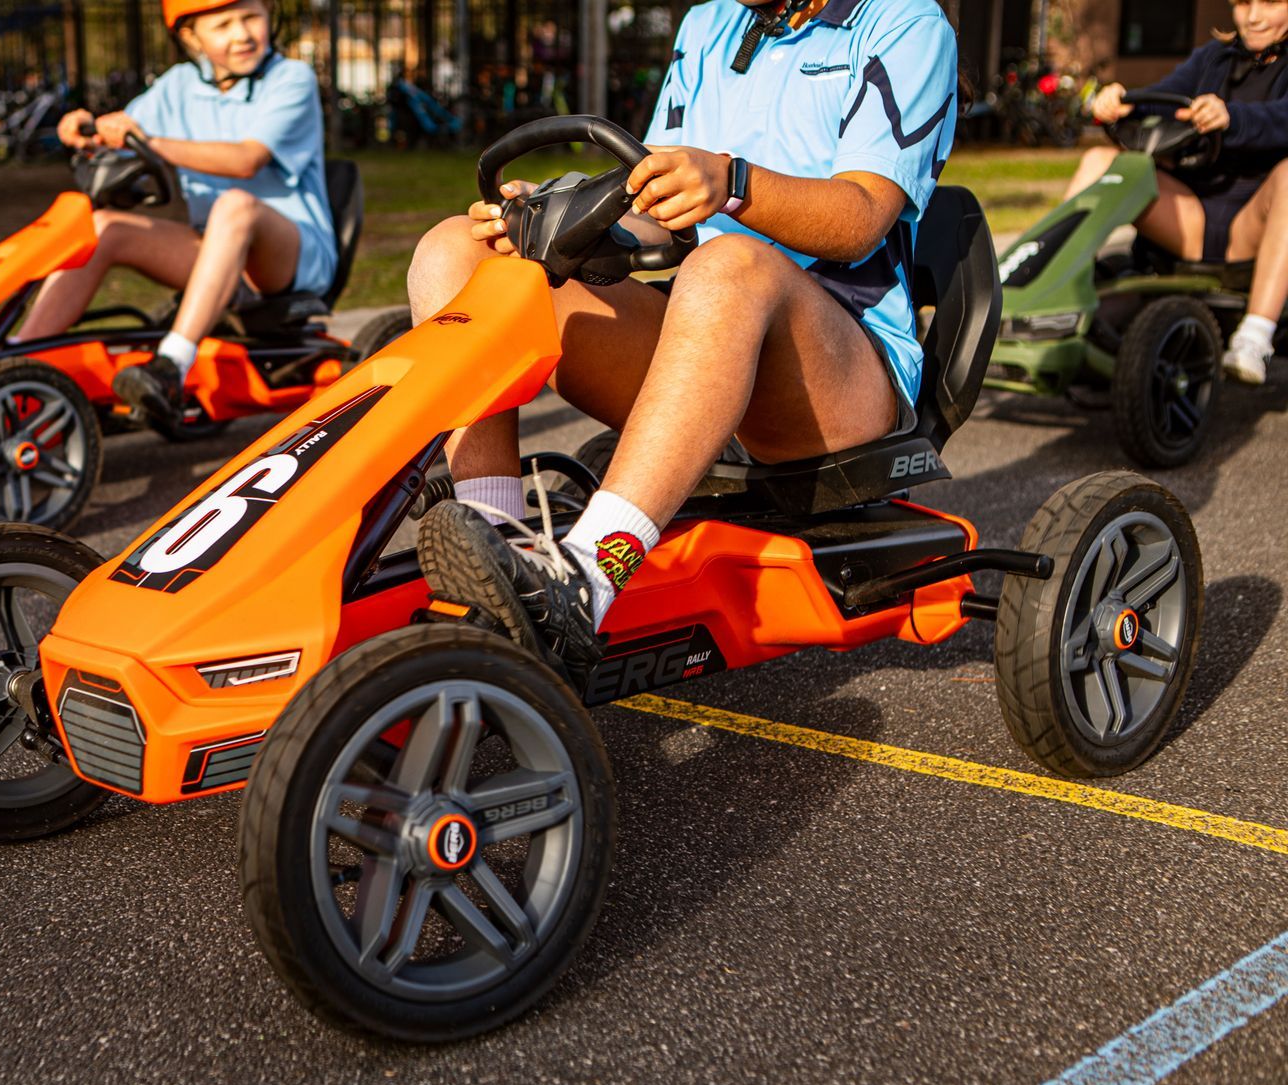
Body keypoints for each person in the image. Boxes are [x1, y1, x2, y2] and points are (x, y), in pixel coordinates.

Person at [409, 0, 956, 680]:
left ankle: (585, 578)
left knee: (729, 267)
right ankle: (498, 549)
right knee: (455, 253)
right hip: (706, 330)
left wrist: (732, 184)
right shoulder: (711, 23)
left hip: (840, 371)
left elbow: (861, 216)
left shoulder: (905, 24)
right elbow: (657, 212)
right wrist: (554, 220)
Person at [25, 0, 337, 429]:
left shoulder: (291, 79)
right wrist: (85, 130)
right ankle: (22, 367)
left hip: (289, 257)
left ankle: (172, 363)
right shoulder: (178, 86)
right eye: (223, 24)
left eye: (251, 17)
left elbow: (246, 160)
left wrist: (150, 140)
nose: (241, 34)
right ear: (191, 36)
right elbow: (122, 132)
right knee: (104, 226)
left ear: (270, 15)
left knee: (235, 204)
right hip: (215, 253)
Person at [1065, 0, 1288, 384]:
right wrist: (1121, 101)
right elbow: (1159, 97)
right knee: (1102, 160)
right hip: (1193, 218)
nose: (1252, 17)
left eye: (1269, 3)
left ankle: (1254, 337)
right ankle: (1053, 296)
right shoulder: (1215, 58)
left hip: (1254, 227)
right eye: (1243, 3)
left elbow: (1279, 120)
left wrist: (1232, 118)